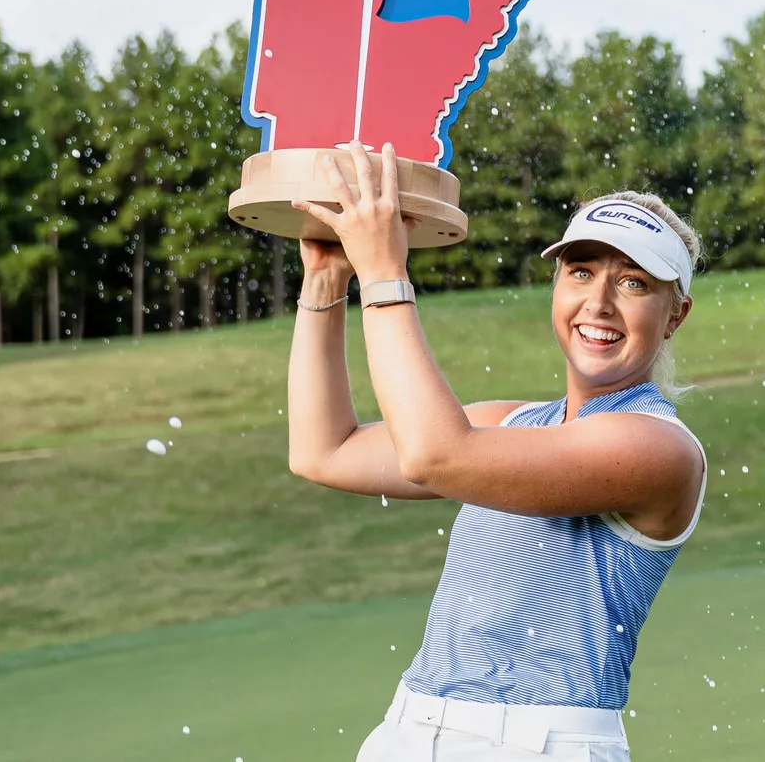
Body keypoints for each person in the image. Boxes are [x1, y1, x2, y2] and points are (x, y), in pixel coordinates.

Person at [287, 142, 707, 762]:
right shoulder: (510, 423)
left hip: (539, 744)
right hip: (408, 728)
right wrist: (327, 277)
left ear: (675, 315)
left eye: (633, 283)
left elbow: (434, 456)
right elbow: (324, 450)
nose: (599, 303)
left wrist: (383, 273)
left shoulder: (659, 447)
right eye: (581, 272)